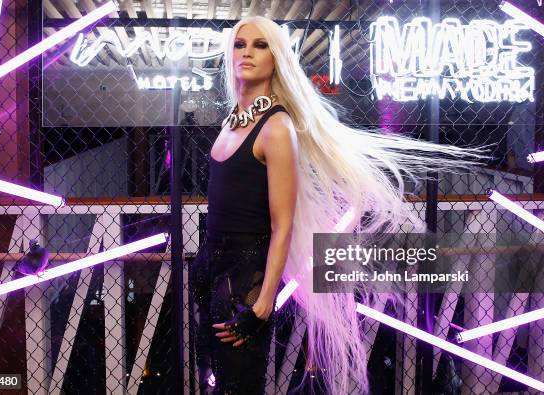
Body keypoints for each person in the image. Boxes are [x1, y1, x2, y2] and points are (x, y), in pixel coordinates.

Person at [190, 16, 489, 395]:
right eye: (240, 44)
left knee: (238, 387)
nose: (247, 52)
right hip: (211, 271)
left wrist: (264, 302)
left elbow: (282, 225)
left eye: (260, 45)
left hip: (243, 281)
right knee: (217, 384)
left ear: (276, 58)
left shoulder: (276, 127)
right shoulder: (234, 120)